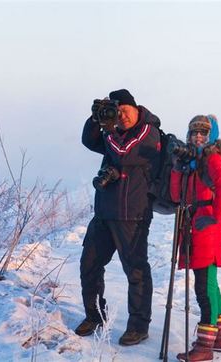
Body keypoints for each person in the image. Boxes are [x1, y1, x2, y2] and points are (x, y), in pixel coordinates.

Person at [75, 89, 161, 346]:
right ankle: (95, 316)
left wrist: (108, 128)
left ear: (136, 108)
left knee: (135, 271)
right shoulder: (112, 131)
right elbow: (89, 141)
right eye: (116, 111)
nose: (121, 116)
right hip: (104, 213)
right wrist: (95, 120)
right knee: (89, 265)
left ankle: (138, 326)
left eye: (125, 110)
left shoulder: (149, 131)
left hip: (132, 215)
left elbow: (124, 152)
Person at [170, 115, 221, 362]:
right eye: (194, 132)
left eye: (203, 133)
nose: (198, 137)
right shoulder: (191, 161)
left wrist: (216, 217)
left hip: (207, 226)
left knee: (204, 287)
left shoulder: (213, 158)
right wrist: (177, 168)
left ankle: (205, 347)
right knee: (211, 284)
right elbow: (177, 196)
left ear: (211, 137)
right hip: (192, 224)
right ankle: (220, 338)